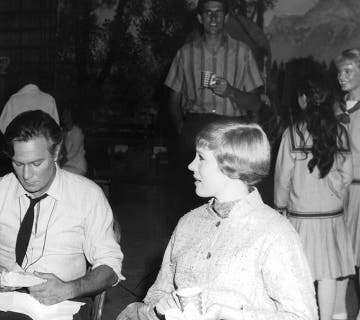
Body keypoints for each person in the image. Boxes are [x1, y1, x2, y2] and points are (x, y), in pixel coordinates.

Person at [116, 121, 317, 320]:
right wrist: (159, 305)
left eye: (201, 158)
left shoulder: (275, 232)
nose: (191, 165)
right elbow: (157, 293)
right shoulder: (189, 223)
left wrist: (233, 316)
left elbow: (302, 316)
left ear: (231, 165)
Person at [0, 110, 123, 320]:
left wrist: (69, 288)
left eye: (36, 163)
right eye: (18, 164)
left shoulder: (87, 195)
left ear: (56, 153)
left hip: (68, 302)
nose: (26, 176)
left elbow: (110, 266)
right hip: (10, 304)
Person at [165, 0, 264, 211]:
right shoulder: (185, 54)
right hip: (194, 129)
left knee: (232, 198)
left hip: (231, 130)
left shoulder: (243, 53)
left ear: (226, 18)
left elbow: (255, 102)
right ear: (200, 18)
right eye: (208, 13)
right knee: (189, 202)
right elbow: (172, 102)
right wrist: (183, 129)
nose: (212, 18)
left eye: (218, 13)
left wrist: (230, 92)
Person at [275, 77, 354, 320]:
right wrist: (332, 187)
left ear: (303, 100)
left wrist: (280, 208)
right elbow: (347, 176)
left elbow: (282, 178)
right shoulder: (340, 132)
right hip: (331, 217)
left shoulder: (292, 134)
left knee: (302, 274)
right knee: (328, 274)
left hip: (301, 217)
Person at [334, 48, 360, 320]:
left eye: (348, 71)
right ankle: (337, 311)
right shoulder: (335, 107)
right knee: (340, 254)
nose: (341, 77)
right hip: (338, 192)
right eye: (339, 72)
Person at [60, 107, 87, 176]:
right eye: (63, 114)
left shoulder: (77, 132)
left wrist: (59, 164)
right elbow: (61, 151)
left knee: (55, 171)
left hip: (77, 166)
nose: (64, 116)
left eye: (67, 114)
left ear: (71, 116)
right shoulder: (62, 131)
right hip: (66, 165)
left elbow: (72, 153)